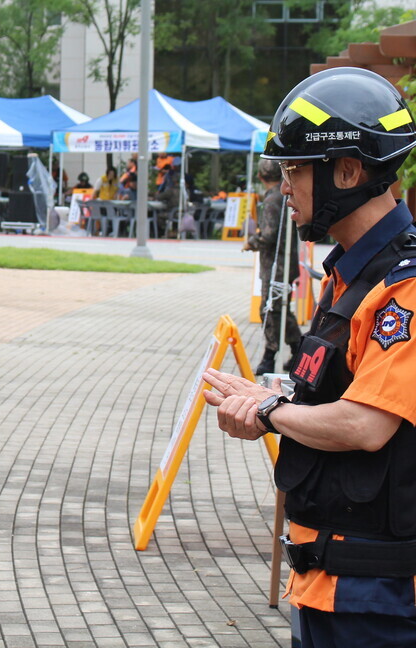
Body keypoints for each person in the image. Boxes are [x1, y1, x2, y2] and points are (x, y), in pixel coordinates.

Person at [202, 67, 416, 646]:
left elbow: (367, 425)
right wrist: (276, 402)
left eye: (295, 169)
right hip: (326, 578)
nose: (284, 186)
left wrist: (269, 412)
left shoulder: (404, 287)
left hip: (377, 598)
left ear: (348, 171)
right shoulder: (347, 277)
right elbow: (325, 394)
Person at [244, 158, 301, 374]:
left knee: (269, 309)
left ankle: (271, 354)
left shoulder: (271, 200)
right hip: (286, 263)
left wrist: (251, 243)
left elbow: (268, 235)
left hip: (276, 265)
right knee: (280, 308)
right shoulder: (284, 195)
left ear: (260, 177)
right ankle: (297, 349)